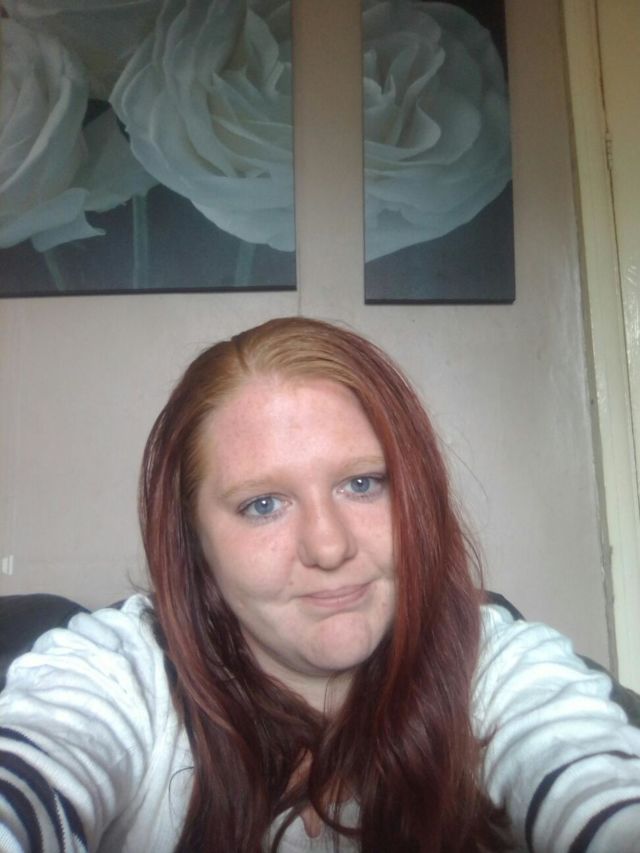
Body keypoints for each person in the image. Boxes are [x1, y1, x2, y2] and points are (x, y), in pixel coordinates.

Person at [1, 316, 640, 853]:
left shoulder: (493, 666)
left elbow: (594, 786)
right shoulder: (117, 675)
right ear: (194, 542)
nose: (329, 547)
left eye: (362, 484)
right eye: (262, 505)